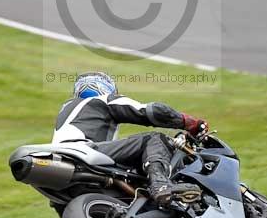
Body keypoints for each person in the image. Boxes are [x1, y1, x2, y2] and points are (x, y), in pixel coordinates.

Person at [52, 71, 208, 206]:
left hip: (59, 165)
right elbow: (152, 112)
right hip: (83, 152)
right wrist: (190, 123)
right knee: (154, 139)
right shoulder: (102, 100)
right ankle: (160, 184)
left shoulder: (66, 109)